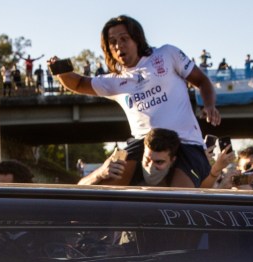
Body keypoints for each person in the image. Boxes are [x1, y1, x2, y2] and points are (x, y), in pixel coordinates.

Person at [48, 15, 219, 187]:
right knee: (107, 185)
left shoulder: (167, 54)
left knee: (177, 198)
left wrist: (209, 106)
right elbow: (78, 83)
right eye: (112, 42)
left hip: (186, 141)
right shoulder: (114, 81)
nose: (118, 45)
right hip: (144, 143)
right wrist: (59, 70)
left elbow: (203, 81)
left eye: (124, 39)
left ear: (137, 39)